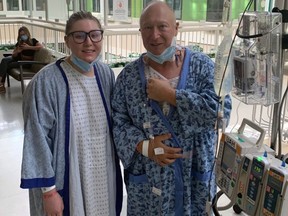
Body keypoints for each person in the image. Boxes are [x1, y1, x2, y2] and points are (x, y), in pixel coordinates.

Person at [111, 1, 231, 215]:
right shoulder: (128, 77)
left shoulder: (203, 67)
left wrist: (172, 96)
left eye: (162, 26)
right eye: (147, 27)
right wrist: (146, 147)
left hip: (194, 181)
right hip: (148, 186)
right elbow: (118, 122)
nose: (154, 35)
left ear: (176, 27)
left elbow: (221, 115)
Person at [20, 11, 122, 216]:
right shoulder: (47, 81)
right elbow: (37, 138)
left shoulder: (105, 74)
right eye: (79, 36)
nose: (88, 42)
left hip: (101, 173)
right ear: (67, 40)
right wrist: (49, 193)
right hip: (67, 176)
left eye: (95, 34)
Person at [0, 26, 43, 93]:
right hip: (17, 58)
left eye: (24, 34)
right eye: (21, 35)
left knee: (7, 65)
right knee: (4, 60)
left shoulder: (33, 41)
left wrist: (28, 47)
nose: (23, 36)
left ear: (27, 34)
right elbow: (14, 54)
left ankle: (1, 84)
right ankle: (1, 83)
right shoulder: (20, 42)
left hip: (25, 62)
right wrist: (18, 51)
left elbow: (40, 47)